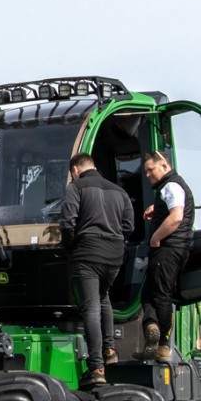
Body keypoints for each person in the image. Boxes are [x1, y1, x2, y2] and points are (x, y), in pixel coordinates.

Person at [59, 151, 134, 388]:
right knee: (104, 299)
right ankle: (110, 352)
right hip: (113, 257)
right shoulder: (119, 191)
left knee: (90, 307)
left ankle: (96, 367)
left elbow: (67, 222)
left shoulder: (76, 187)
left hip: (87, 253)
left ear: (75, 170)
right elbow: (129, 226)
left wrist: (71, 246)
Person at [139, 151, 194, 361]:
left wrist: (155, 238)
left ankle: (162, 344)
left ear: (163, 166)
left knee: (161, 295)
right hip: (175, 248)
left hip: (168, 249)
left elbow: (176, 217)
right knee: (149, 293)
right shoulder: (171, 187)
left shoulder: (171, 185)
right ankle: (152, 329)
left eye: (150, 170)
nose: (147, 175)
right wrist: (158, 208)